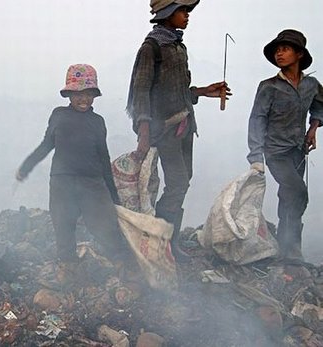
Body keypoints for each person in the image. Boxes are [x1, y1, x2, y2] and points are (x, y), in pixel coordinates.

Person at [126, 0, 230, 262]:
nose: (187, 16)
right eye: (183, 11)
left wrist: (204, 91)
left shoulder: (177, 46)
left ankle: (167, 242)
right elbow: (141, 90)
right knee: (178, 182)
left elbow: (179, 90)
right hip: (166, 129)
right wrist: (144, 129)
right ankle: (163, 243)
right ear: (168, 13)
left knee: (183, 180)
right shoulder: (152, 47)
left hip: (185, 125)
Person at [16, 64, 131, 286]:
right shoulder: (58, 116)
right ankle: (68, 275)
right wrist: (27, 166)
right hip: (62, 182)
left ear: (94, 96)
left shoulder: (97, 122)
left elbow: (103, 156)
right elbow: (47, 144)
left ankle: (125, 270)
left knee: (105, 227)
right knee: (64, 226)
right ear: (69, 94)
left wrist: (112, 195)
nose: (83, 99)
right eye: (78, 94)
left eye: (88, 94)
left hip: (92, 183)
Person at [247, 29, 323, 262]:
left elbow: (320, 106)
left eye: (285, 49)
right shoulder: (269, 86)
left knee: (288, 196)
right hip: (275, 151)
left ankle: (288, 246)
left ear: (299, 54)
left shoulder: (311, 84)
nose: (279, 54)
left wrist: (313, 128)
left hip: (297, 151)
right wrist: (256, 156)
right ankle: (290, 246)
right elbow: (257, 119)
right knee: (298, 191)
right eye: (277, 50)